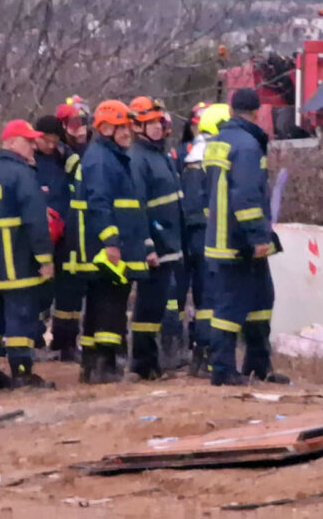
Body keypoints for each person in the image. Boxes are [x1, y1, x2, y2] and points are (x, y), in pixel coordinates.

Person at [204, 89, 290, 386]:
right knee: (230, 307)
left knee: (260, 301)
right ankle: (223, 369)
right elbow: (246, 195)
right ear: (257, 112)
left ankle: (257, 365)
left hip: (222, 236)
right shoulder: (247, 145)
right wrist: (257, 237)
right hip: (238, 242)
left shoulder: (218, 142)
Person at [69, 100, 152, 383]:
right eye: (122, 126)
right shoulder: (102, 159)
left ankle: (92, 366)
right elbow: (99, 203)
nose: (128, 132)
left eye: (129, 126)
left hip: (108, 244)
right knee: (110, 303)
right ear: (105, 128)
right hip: (106, 247)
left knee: (99, 302)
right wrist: (111, 242)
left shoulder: (108, 156)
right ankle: (106, 366)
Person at [0, 120, 55, 391]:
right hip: (15, 262)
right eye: (28, 141)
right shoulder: (22, 174)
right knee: (21, 316)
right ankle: (22, 373)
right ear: (11, 143)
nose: (32, 146)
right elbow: (35, 221)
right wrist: (44, 258)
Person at [128, 96, 185, 378]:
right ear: (137, 126)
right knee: (148, 307)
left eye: (158, 122)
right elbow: (137, 206)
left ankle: (151, 361)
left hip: (170, 242)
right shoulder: (138, 158)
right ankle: (143, 363)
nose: (156, 128)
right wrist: (147, 245)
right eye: (150, 123)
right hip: (156, 244)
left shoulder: (159, 154)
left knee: (159, 304)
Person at [180, 103, 230, 377]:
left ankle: (202, 353)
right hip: (206, 237)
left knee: (205, 299)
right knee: (211, 297)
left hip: (200, 237)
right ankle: (206, 353)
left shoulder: (195, 157)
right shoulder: (205, 159)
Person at [33, 115, 83, 361]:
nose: (50, 145)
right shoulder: (29, 163)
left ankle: (66, 342)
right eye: (46, 140)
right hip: (39, 235)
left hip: (67, 233)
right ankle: (34, 339)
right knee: (39, 290)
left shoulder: (66, 159)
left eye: (54, 140)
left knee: (69, 290)